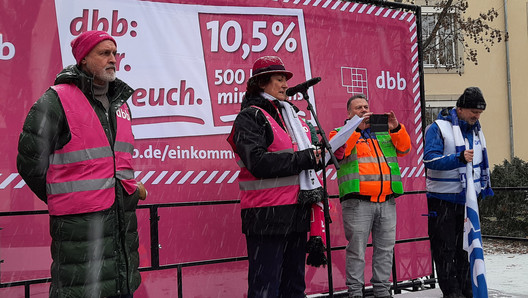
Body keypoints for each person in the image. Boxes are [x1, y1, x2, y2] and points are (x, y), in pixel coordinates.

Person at [17, 30, 147, 298]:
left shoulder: (120, 103)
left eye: (115, 53)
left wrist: (128, 191)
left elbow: (117, 165)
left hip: (122, 236)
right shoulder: (56, 101)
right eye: (104, 53)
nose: (112, 59)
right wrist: (67, 196)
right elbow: (30, 162)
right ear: (83, 59)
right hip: (80, 234)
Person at [227, 56, 323, 298]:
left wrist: (319, 157)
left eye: (285, 80)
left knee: (294, 287)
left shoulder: (291, 117)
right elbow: (257, 163)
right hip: (265, 215)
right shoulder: (250, 117)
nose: (285, 85)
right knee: (265, 288)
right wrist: (305, 158)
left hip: (295, 212)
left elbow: (301, 161)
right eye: (279, 79)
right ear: (261, 83)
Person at [329, 94, 411, 298]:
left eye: (366, 106)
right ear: (349, 113)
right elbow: (340, 151)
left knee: (385, 250)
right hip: (358, 203)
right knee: (356, 251)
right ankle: (355, 293)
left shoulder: (383, 132)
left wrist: (396, 127)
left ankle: (382, 291)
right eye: (358, 108)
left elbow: (404, 148)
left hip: (387, 201)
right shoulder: (340, 133)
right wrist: (357, 129)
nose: (364, 110)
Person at [424, 87, 493, 298]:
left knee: (466, 250)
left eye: (480, 113)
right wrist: (459, 158)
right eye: (473, 111)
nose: (476, 116)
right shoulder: (437, 128)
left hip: (468, 202)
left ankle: (467, 290)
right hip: (442, 200)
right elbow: (430, 160)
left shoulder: (476, 130)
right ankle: (452, 293)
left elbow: (479, 163)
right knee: (445, 250)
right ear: (460, 108)